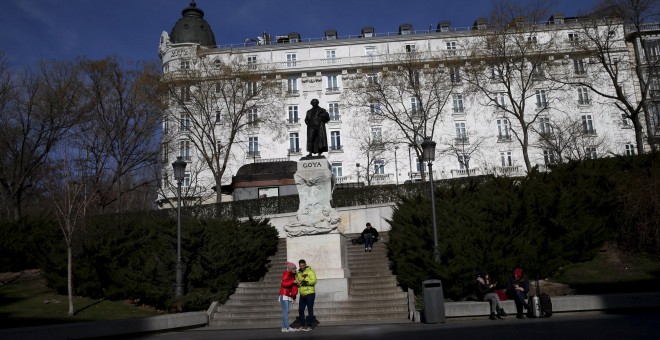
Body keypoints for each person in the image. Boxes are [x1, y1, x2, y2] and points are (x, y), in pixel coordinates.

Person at [296, 259, 317, 331]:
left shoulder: (310, 271)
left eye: (303, 265)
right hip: (302, 294)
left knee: (310, 309)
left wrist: (306, 282)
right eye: (300, 265)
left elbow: (314, 281)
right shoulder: (298, 273)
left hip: (310, 293)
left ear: (305, 264)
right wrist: (298, 283)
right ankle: (302, 324)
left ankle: (309, 325)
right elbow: (298, 283)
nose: (302, 267)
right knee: (301, 310)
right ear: (299, 265)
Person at [279, 262, 298, 332]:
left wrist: (294, 296)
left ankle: (284, 327)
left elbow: (293, 286)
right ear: (290, 268)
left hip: (289, 294)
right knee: (286, 311)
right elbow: (283, 284)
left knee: (287, 311)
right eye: (293, 268)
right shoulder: (286, 274)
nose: (295, 270)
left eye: (295, 268)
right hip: (284, 294)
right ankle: (287, 327)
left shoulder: (292, 275)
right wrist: (293, 282)